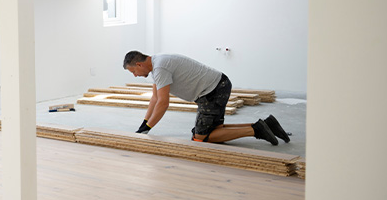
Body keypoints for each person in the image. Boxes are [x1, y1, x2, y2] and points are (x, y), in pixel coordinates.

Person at [122, 50, 290, 145]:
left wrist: (148, 129)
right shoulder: (157, 64)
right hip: (217, 86)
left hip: (212, 91)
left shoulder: (160, 69)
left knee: (200, 138)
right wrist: (143, 126)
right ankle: (268, 124)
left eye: (134, 72)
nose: (135, 75)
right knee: (215, 131)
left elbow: (163, 103)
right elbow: (155, 98)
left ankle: (256, 130)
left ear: (139, 64)